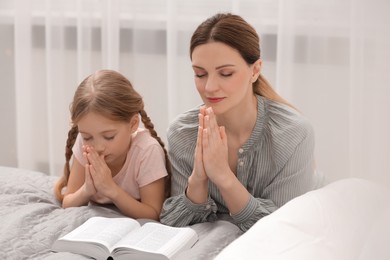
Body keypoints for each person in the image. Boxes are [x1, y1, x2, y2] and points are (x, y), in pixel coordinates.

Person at [159, 13, 317, 232]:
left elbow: (285, 230)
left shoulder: (294, 133)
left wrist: (224, 177)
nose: (210, 87)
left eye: (225, 73)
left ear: (255, 70)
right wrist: (198, 178)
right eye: (200, 74)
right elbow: (174, 224)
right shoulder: (182, 132)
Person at [54, 69, 171, 221]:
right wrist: (87, 190)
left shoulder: (147, 150)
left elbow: (153, 213)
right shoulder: (84, 145)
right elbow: (67, 202)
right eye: (88, 137)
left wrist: (111, 190)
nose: (98, 147)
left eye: (109, 137)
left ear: (133, 124)